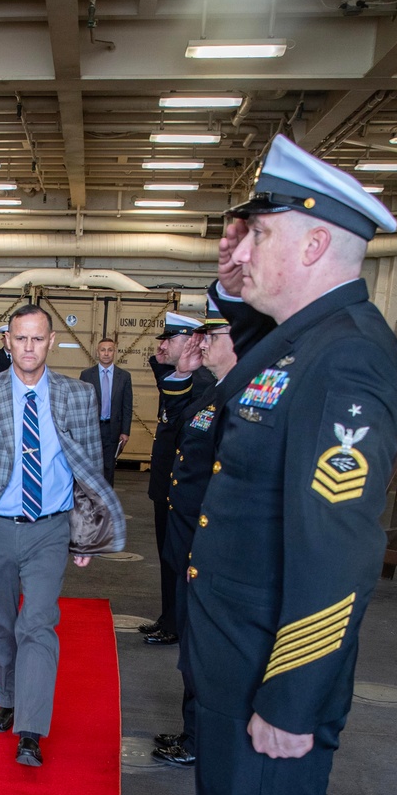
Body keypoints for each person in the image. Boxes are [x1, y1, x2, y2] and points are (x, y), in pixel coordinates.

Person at [149, 135, 397, 795]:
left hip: (272, 678)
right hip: (231, 665)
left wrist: (292, 697)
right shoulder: (290, 345)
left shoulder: (343, 362)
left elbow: (336, 553)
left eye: (254, 231)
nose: (235, 249)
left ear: (311, 243)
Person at [0, 303, 125, 767]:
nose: (28, 347)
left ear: (52, 341)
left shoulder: (78, 396)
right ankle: (8, 699)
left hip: (50, 529)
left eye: (37, 339)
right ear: (7, 341)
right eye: (20, 338)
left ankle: (31, 729)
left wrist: (85, 536)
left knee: (37, 625)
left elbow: (88, 470)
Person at [153, 299, 243, 768]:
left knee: (204, 650)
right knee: (194, 646)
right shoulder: (215, 391)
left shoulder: (240, 398)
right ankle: (195, 732)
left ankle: (200, 740)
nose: (202, 342)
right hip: (188, 539)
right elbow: (178, 432)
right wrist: (185, 375)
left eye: (213, 336)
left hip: (207, 548)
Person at [142, 313, 214, 647]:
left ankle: (174, 621)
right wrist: (166, 365)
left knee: (177, 559)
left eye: (168, 339)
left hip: (181, 486)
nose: (162, 345)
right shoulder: (184, 378)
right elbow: (170, 393)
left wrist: (176, 370)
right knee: (167, 556)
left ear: (190, 342)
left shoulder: (201, 382)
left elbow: (178, 412)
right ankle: (167, 616)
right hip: (166, 485)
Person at [81, 337, 132, 486]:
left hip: (112, 429)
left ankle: (106, 503)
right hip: (92, 429)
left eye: (110, 350)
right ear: (97, 352)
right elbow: (82, 405)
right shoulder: (86, 375)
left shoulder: (124, 377)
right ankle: (91, 500)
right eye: (103, 350)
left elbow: (127, 406)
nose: (106, 353)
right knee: (91, 466)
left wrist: (125, 431)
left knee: (109, 468)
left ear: (114, 352)